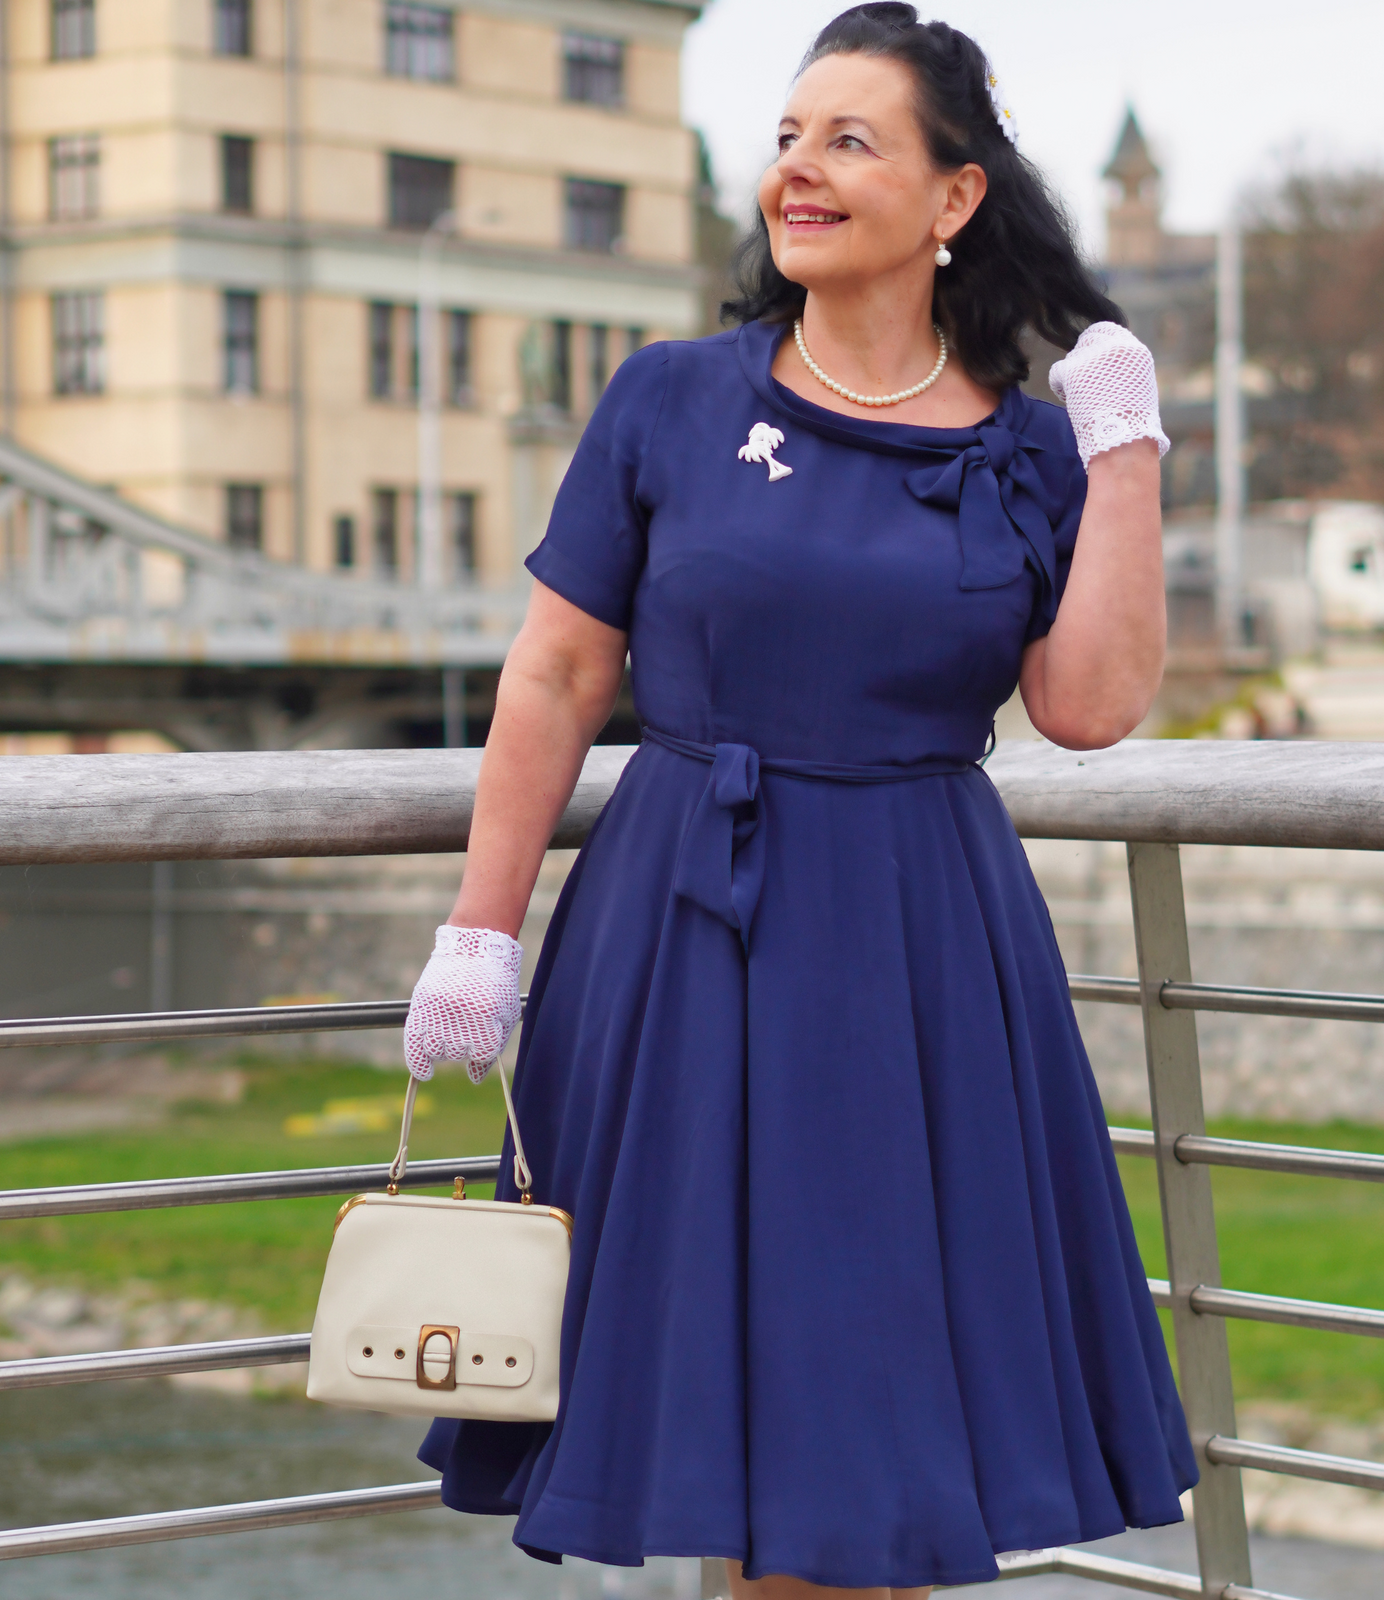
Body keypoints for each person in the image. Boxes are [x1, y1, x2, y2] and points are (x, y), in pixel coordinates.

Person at [404, 6, 1198, 1595]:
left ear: (954, 200)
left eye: (850, 141)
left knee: (878, 1424)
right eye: (786, 139)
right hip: (685, 936)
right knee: (727, 1419)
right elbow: (558, 677)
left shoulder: (1034, 447)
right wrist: (479, 936)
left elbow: (1091, 706)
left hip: (920, 959)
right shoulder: (669, 399)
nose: (800, 173)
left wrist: (1126, 451)